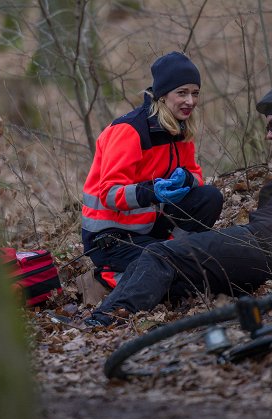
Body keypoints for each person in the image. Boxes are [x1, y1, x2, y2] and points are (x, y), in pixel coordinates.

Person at [85, 80, 272, 327]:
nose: (269, 135)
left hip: (267, 243)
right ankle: (116, 292)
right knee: (177, 278)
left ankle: (103, 318)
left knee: (159, 254)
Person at [81, 52, 223, 290]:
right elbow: (109, 194)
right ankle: (110, 277)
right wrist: (153, 192)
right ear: (163, 95)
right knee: (177, 280)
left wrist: (187, 178)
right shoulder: (129, 130)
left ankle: (173, 255)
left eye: (195, 93)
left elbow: (197, 175)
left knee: (210, 198)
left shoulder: (180, 128)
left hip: (150, 228)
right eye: (182, 93)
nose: (190, 101)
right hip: (110, 237)